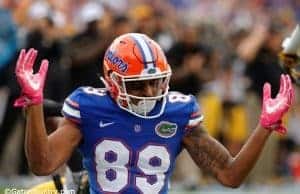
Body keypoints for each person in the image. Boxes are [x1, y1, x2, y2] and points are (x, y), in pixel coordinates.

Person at [14, 33, 294, 194]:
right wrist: (34, 104)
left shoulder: (178, 111)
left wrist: (266, 126)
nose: (150, 92)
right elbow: (43, 164)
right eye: (138, 84)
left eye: (156, 81)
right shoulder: (90, 107)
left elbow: (231, 176)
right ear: (113, 82)